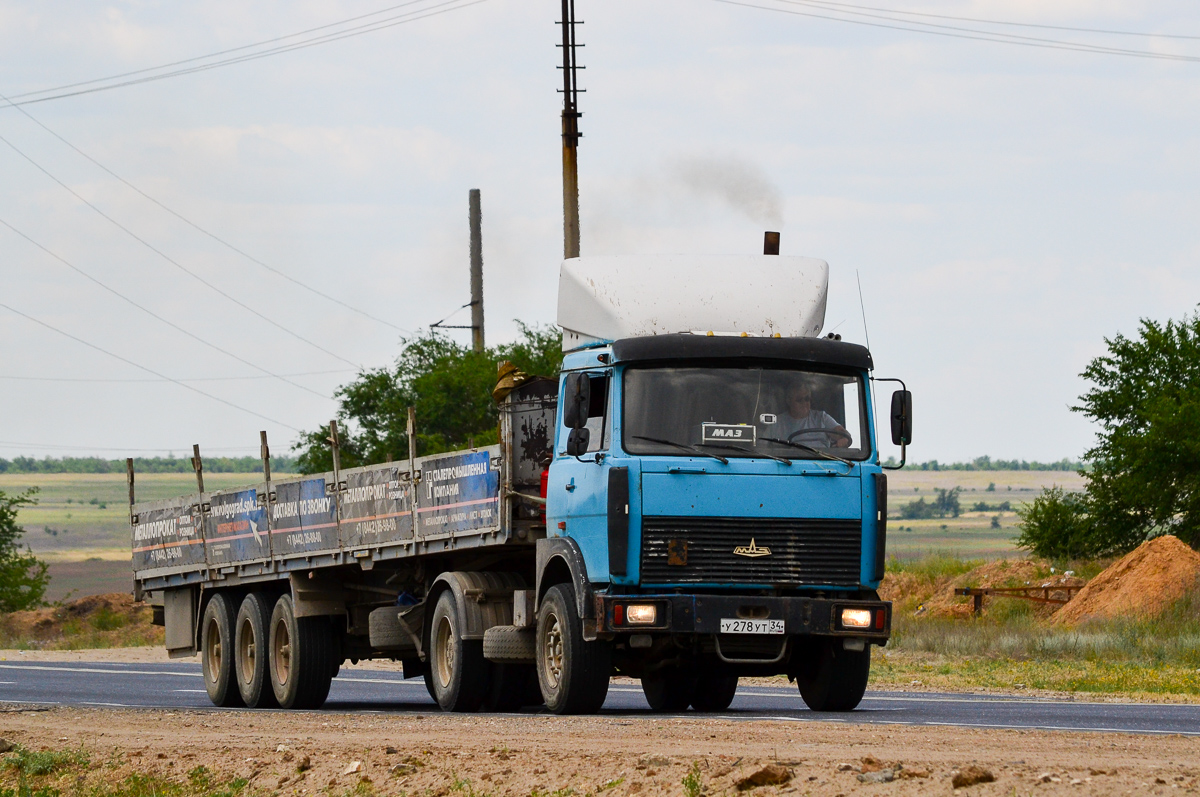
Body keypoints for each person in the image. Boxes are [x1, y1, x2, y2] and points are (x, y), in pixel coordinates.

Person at [776, 382, 852, 448]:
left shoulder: (822, 417)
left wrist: (844, 439)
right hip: (789, 462)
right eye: (799, 399)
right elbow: (765, 445)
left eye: (807, 399)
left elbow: (842, 433)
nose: (804, 403)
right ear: (789, 401)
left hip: (822, 461)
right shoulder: (778, 422)